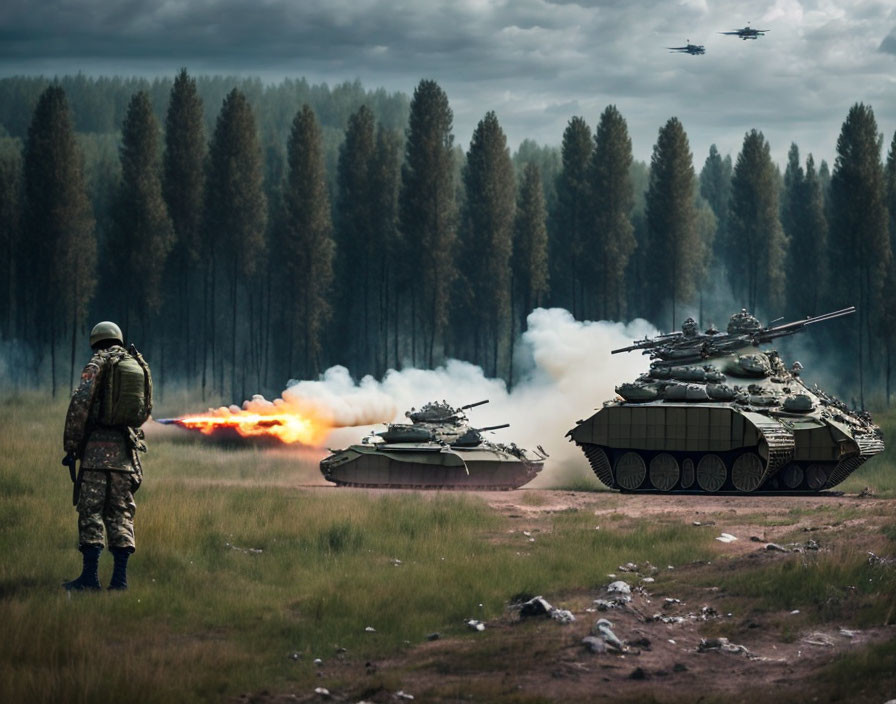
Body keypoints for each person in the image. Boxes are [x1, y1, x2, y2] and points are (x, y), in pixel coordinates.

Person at [62, 321, 149, 591]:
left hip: (96, 456)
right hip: (125, 455)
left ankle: (90, 579)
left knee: (91, 513)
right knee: (121, 514)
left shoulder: (97, 364)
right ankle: (120, 581)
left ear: (96, 341)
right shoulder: (135, 363)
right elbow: (145, 409)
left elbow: (80, 404)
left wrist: (72, 445)